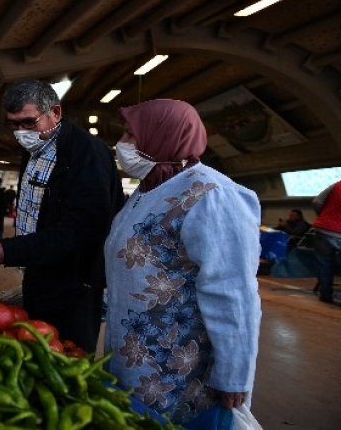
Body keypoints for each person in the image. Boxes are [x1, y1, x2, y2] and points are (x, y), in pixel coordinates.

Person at [103, 99, 261, 425]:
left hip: (177, 368)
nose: (123, 143)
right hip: (133, 355)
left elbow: (233, 291)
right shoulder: (148, 190)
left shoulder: (211, 194)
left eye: (130, 134)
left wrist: (234, 373)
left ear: (162, 134)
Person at [0, 79, 124, 352]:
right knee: (36, 346)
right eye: (13, 125)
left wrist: (10, 249)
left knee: (67, 352)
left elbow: (84, 227)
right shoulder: (34, 149)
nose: (21, 132)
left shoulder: (87, 153)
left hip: (74, 280)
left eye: (28, 122)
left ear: (55, 113)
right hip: (39, 266)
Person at [312, 181, 341, 303]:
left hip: (324, 229)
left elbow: (316, 201)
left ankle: (326, 295)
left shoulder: (337, 185)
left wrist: (323, 215)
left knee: (324, 264)